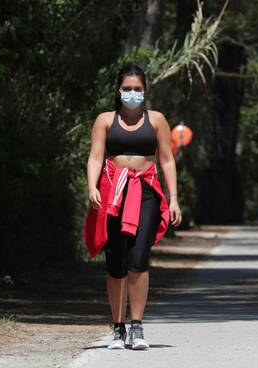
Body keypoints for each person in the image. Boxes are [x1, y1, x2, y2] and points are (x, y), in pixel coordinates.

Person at [84, 64, 182, 350]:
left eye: (137, 89)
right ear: (118, 90)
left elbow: (166, 160)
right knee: (115, 260)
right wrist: (92, 187)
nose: (132, 94)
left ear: (145, 91)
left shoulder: (157, 120)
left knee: (138, 257)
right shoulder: (104, 120)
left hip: (146, 192)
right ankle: (118, 327)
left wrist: (173, 198)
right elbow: (95, 157)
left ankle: (137, 326)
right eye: (127, 89)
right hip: (112, 191)